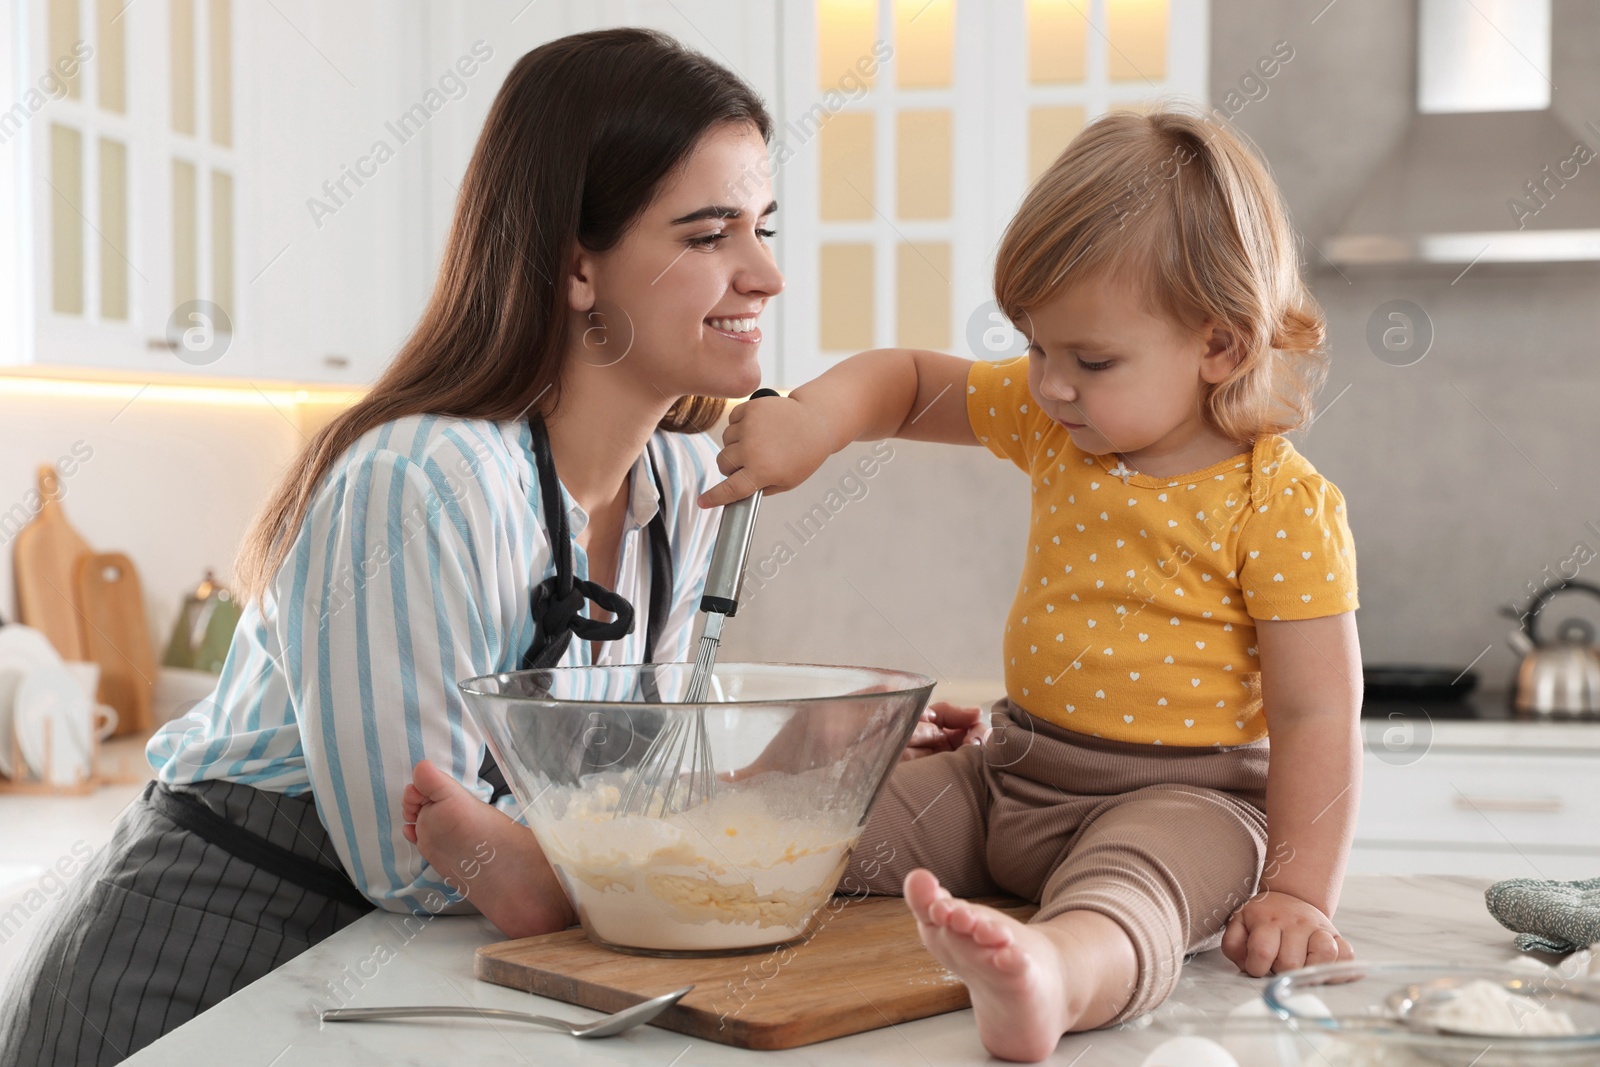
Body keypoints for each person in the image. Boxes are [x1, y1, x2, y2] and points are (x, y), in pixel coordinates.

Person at [0, 28, 979, 1067]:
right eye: (708, 235)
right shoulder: (422, 483)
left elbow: (618, 795)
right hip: (201, 965)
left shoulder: (686, 484)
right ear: (574, 267)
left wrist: (786, 764)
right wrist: (613, 856)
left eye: (762, 228)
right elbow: (410, 857)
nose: (766, 274)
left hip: (392, 975)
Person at [699, 108, 1363, 1061]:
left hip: (1188, 806)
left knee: (1128, 897)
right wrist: (812, 422)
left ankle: (1051, 975)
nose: (1049, 382)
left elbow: (1317, 716)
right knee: (805, 815)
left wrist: (1298, 892)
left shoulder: (1280, 504)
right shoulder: (1057, 416)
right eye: (1036, 345)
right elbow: (908, 379)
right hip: (1009, 777)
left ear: (1219, 347)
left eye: (1090, 360)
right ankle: (566, 873)